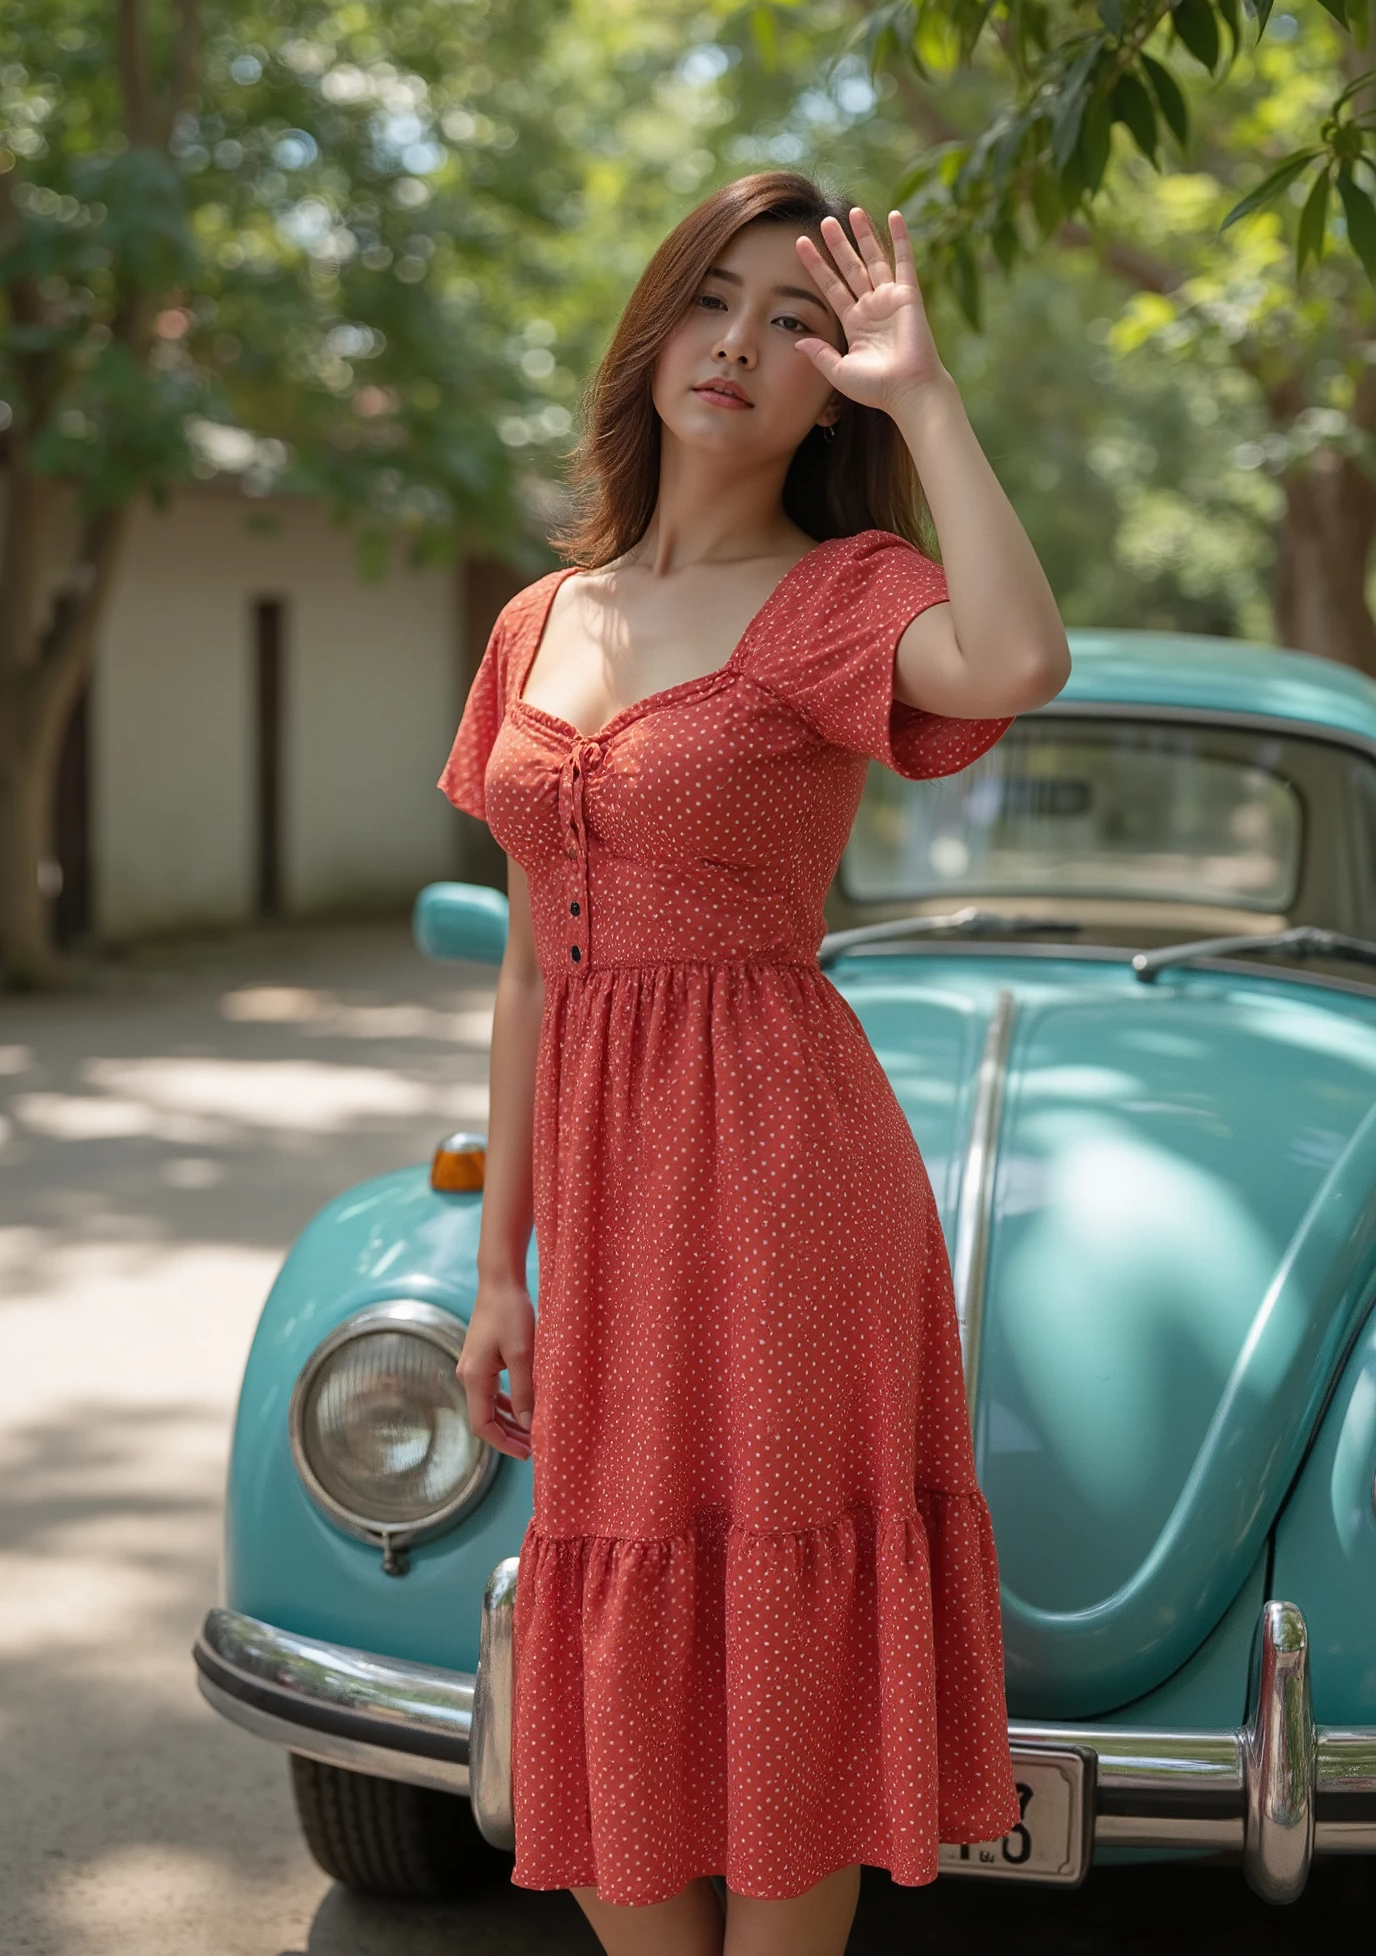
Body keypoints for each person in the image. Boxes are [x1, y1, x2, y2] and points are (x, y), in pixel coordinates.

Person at [440, 169, 1070, 1956]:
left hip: (785, 1179)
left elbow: (1019, 655)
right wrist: (499, 1262)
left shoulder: (839, 596)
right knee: (626, 1639)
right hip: (610, 1206)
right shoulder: (533, 624)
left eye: (797, 319)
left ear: (832, 381)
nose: (742, 344)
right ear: (651, 337)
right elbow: (524, 961)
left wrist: (926, 393)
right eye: (713, 299)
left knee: (780, 1626)